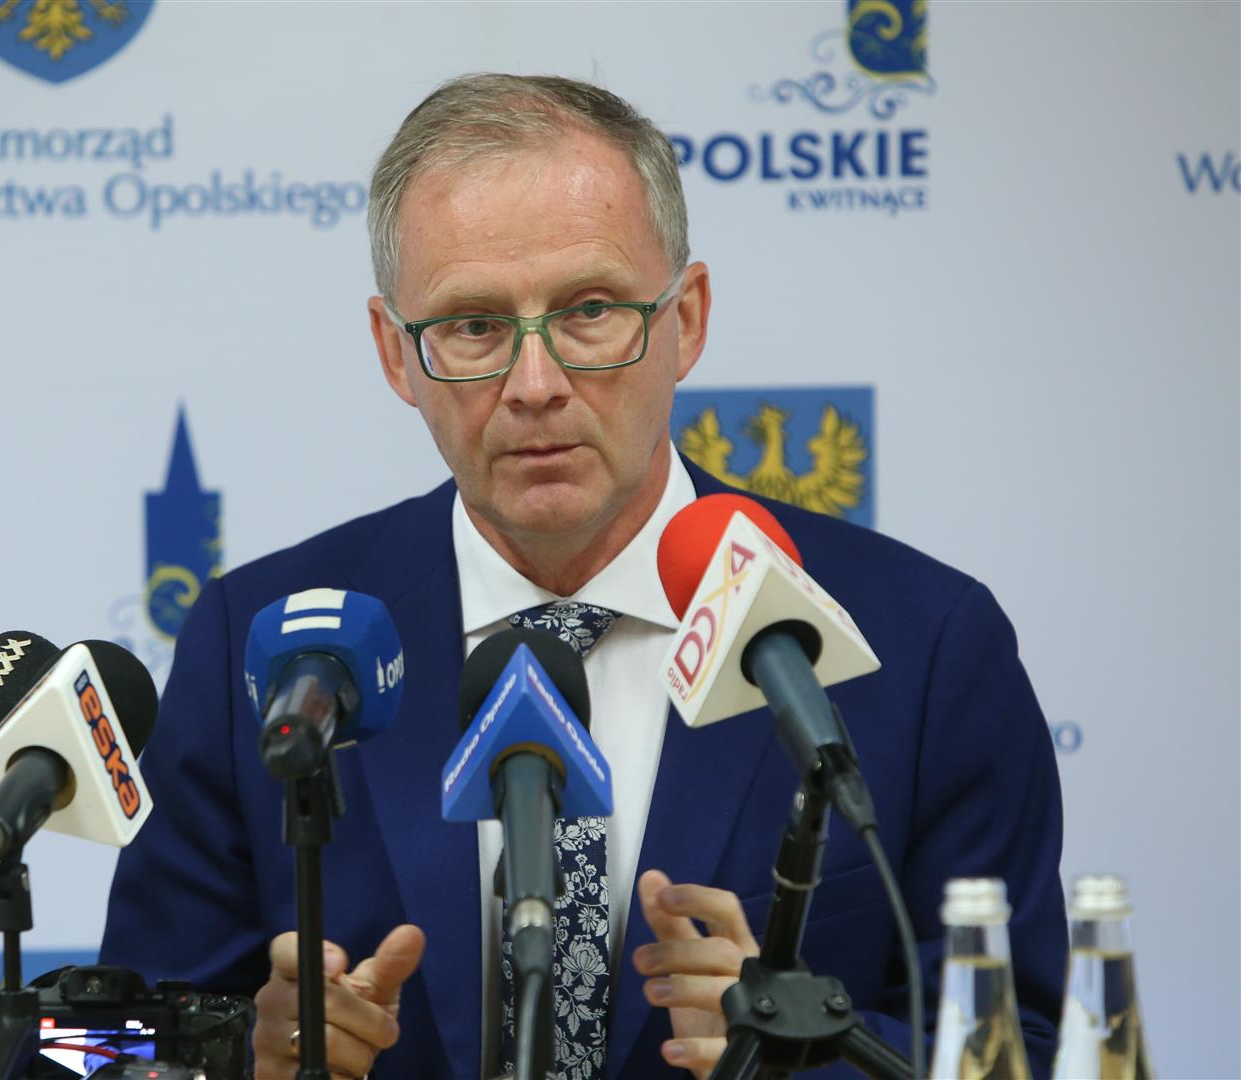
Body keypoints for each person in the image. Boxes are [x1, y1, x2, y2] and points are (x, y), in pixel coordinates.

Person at [100, 74, 1066, 1080]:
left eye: (591, 310)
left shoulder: (921, 645)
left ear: (687, 319)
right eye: (473, 326)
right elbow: (113, 1042)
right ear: (396, 355)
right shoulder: (264, 646)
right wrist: (242, 1060)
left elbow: (1033, 1051)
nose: (536, 384)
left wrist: (800, 1057)